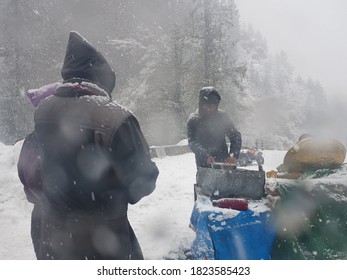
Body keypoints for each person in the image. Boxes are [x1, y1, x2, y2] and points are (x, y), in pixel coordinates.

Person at [32, 31, 159, 260]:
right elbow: (142, 184)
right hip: (102, 242)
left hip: (52, 238)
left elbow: (32, 170)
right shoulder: (116, 118)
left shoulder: (43, 111)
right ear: (101, 77)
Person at [17, 82, 61, 258]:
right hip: (61, 219)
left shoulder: (31, 140)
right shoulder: (64, 138)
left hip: (41, 219)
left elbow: (24, 177)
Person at [187, 87, 242, 199]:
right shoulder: (193, 120)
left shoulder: (222, 117)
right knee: (206, 195)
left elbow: (235, 135)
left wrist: (233, 155)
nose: (210, 109)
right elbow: (192, 142)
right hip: (204, 164)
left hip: (223, 162)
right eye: (207, 106)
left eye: (213, 106)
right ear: (201, 104)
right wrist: (205, 155)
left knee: (226, 194)